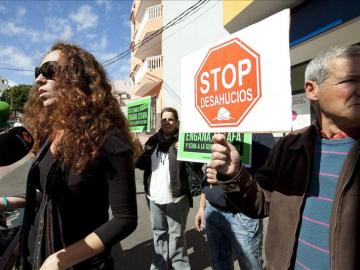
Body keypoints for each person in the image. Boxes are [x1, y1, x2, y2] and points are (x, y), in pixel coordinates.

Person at [207, 44, 360, 270]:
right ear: (311, 90)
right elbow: (262, 203)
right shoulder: (290, 146)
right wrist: (234, 174)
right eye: (350, 80)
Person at [0, 42, 138, 270]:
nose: (39, 80)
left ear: (77, 78)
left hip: (80, 265)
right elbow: (45, 194)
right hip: (37, 254)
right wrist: (6, 202)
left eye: (49, 71)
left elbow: (125, 219)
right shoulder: (48, 134)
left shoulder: (108, 139)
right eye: (38, 72)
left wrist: (60, 259)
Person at [135, 107, 203, 270]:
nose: (167, 122)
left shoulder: (184, 140)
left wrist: (186, 151)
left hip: (177, 198)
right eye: (164, 119)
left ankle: (180, 266)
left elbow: (197, 165)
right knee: (159, 234)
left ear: (177, 122)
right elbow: (142, 164)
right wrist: (136, 150)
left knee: (177, 236)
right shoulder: (152, 141)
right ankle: (159, 266)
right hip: (154, 198)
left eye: (170, 119)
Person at [195, 133, 274, 270]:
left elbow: (268, 182)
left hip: (243, 215)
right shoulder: (215, 131)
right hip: (213, 211)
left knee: (251, 266)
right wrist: (202, 206)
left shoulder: (260, 133)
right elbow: (205, 176)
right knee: (219, 264)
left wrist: (233, 174)